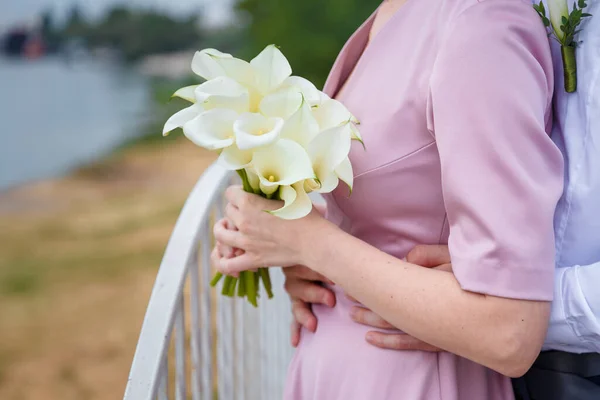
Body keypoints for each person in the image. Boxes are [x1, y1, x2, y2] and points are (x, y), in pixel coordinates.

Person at [211, 0, 565, 398]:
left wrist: (307, 242)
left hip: (417, 383)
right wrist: (277, 242)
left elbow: (508, 333)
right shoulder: (393, 13)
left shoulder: (479, 25)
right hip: (337, 372)